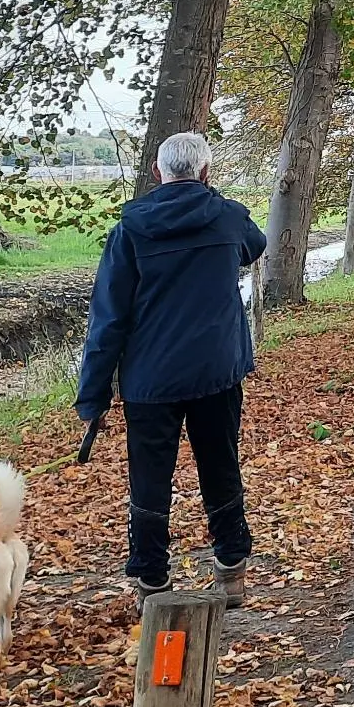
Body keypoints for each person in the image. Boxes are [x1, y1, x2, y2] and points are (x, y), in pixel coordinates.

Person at [75, 131, 267, 603]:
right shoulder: (226, 217)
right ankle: (230, 565)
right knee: (220, 462)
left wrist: (93, 394)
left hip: (150, 379)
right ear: (205, 172)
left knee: (149, 475)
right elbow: (255, 244)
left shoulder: (130, 229)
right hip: (215, 372)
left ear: (158, 173)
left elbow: (109, 317)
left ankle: (151, 578)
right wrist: (212, 195)